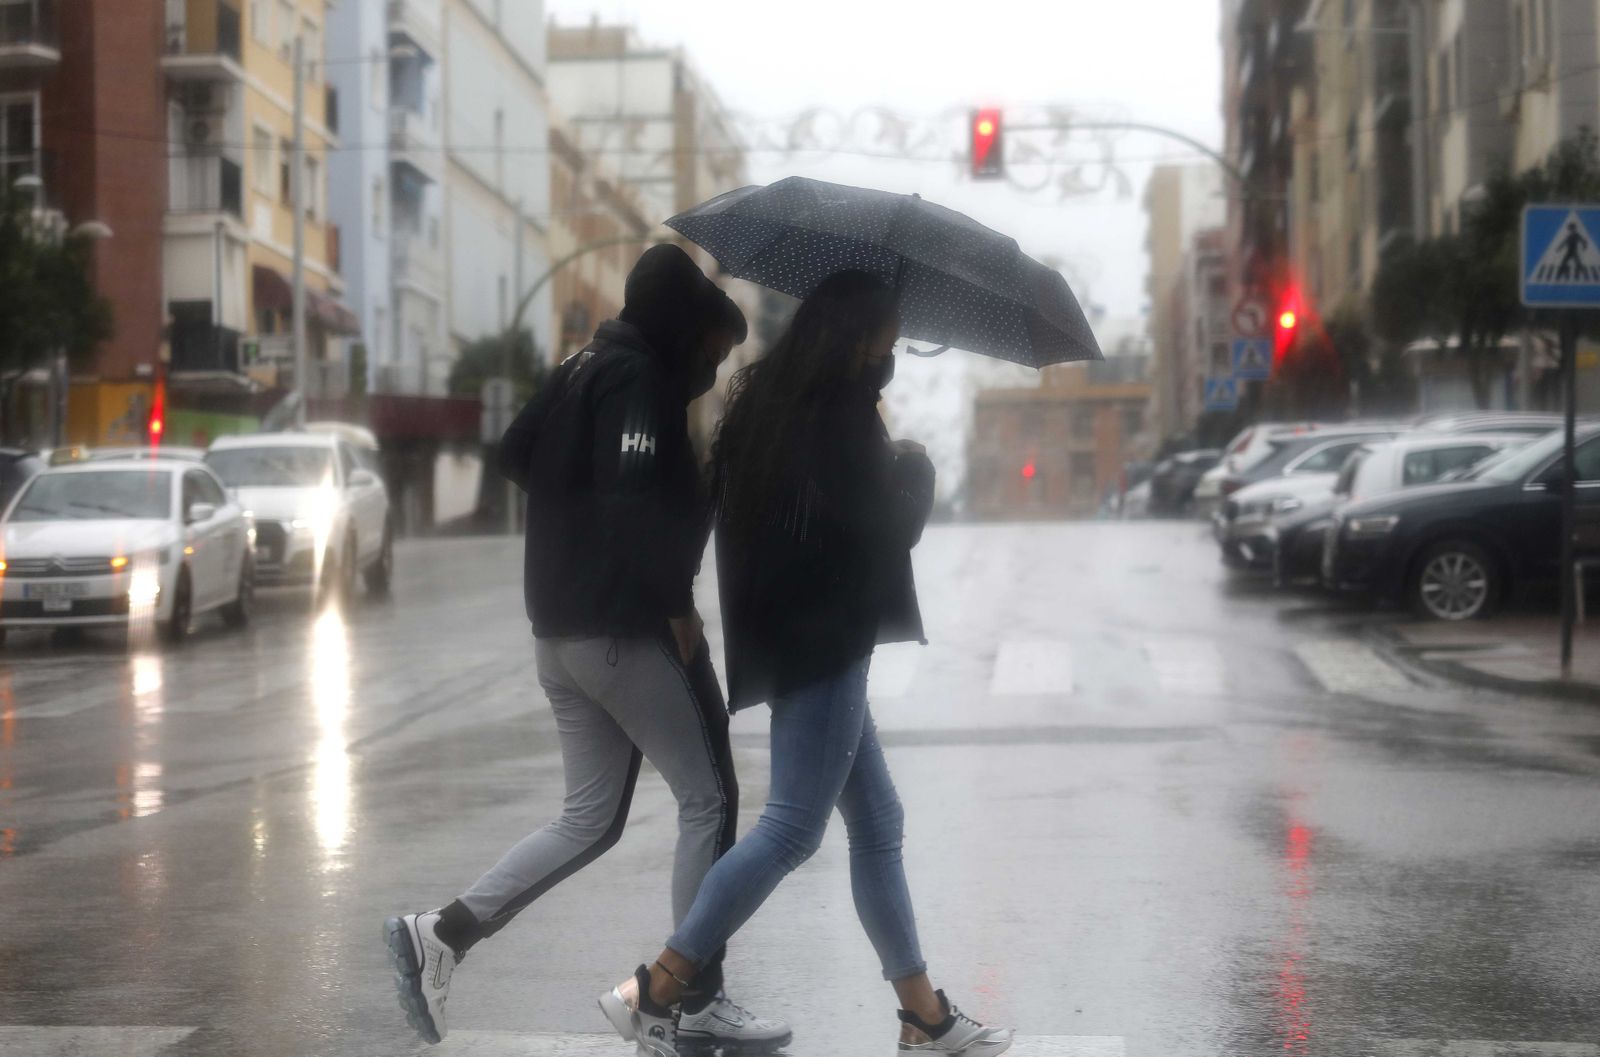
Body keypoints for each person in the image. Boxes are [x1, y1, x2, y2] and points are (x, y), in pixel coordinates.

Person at [596, 270, 1015, 1057]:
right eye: (885, 341)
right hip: (829, 638)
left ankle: (921, 1013)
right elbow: (884, 529)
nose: (889, 356)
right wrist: (914, 470)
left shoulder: (772, 406)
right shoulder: (842, 414)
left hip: (797, 636)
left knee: (879, 822)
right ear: (855, 339)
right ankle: (658, 985)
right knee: (791, 827)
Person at [383, 244, 790, 1053]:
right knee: (710, 799)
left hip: (559, 636)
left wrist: (575, 520)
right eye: (712, 350)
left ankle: (441, 932)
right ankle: (692, 997)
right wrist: (673, 605)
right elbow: (636, 500)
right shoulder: (637, 377)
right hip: (623, 631)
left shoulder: (583, 365)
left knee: (588, 819)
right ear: (683, 328)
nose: (711, 369)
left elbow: (516, 453)